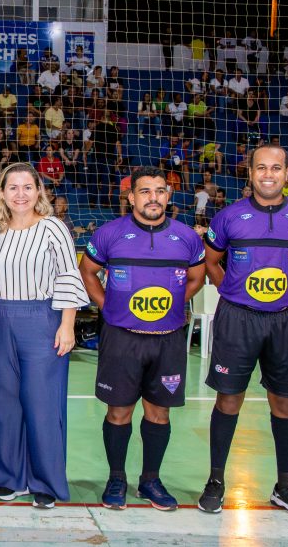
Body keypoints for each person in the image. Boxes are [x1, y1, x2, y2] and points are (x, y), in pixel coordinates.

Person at [199, 145, 288, 520]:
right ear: (250, 173)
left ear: (287, 173)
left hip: (284, 320)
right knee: (228, 401)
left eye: (276, 168)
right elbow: (210, 261)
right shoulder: (228, 217)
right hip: (237, 319)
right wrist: (231, 292)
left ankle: (284, 487)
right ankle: (216, 481)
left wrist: (286, 293)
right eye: (260, 168)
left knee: (284, 403)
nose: (268, 174)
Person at [80, 166, 205, 512]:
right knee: (118, 412)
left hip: (167, 339)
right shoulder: (109, 233)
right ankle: (116, 477)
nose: (153, 197)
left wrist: (173, 305)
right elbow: (88, 272)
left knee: (159, 413)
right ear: (131, 197)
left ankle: (151, 480)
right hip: (122, 337)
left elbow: (196, 277)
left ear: (168, 195)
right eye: (145, 191)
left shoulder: (186, 237)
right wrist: (107, 306)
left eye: (160, 191)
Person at [0, 163, 89, 508]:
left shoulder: (53, 227)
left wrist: (67, 326)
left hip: (43, 319)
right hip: (2, 321)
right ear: (2, 194)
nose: (20, 194)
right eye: (13, 187)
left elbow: (68, 275)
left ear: (39, 191)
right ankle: (9, 478)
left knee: (42, 404)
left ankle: (45, 482)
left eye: (27, 187)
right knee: (5, 404)